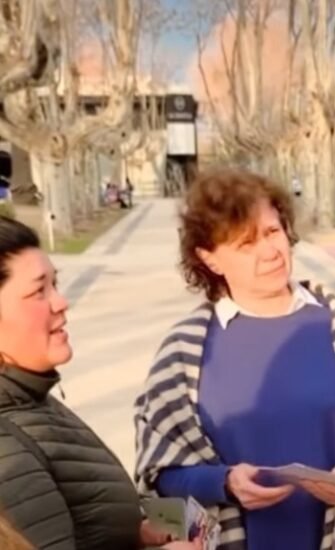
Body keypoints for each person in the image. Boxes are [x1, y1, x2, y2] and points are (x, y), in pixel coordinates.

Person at [134, 168, 335, 549]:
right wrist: (223, 483)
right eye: (246, 243)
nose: (269, 252)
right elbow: (157, 479)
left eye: (272, 231)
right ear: (209, 259)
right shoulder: (183, 352)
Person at [0, 216, 200, 550]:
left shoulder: (34, 398)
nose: (61, 302)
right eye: (38, 291)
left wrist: (138, 532)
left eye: (55, 284)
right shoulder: (7, 446)